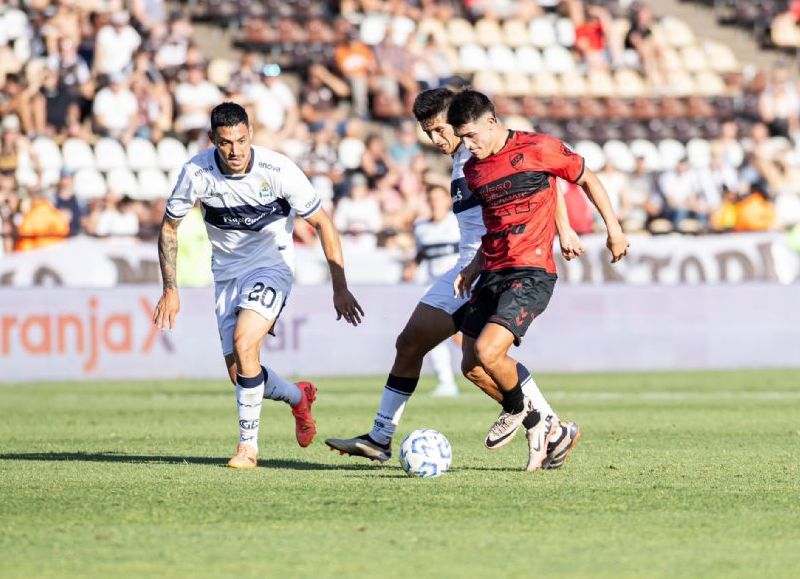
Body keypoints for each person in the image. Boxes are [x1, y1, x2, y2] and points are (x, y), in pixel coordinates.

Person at [325, 88, 584, 469]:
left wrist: (564, 229)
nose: (437, 139)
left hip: (492, 265)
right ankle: (381, 437)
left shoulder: (485, 147)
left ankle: (547, 424)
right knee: (441, 355)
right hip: (464, 268)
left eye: (441, 130)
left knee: (463, 356)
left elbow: (543, 177)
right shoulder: (461, 156)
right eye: (429, 133)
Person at [152, 102, 363, 469]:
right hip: (226, 274)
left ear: (251, 134)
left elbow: (324, 224)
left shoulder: (278, 169)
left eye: (241, 140)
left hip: (272, 265)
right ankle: (299, 396)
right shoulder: (196, 173)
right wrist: (171, 288)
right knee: (241, 373)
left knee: (245, 342)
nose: (235, 151)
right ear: (212, 141)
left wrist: (339, 287)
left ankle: (248, 448)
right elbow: (170, 227)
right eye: (225, 143)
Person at [448, 90, 629, 472]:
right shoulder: (474, 170)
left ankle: (518, 409)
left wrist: (613, 229)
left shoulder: (539, 147)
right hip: (493, 270)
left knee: (488, 351)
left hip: (531, 272)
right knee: (471, 365)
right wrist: (472, 268)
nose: (467, 145)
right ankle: (544, 424)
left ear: (492, 122)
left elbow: (587, 180)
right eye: (461, 138)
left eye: (471, 136)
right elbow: (495, 228)